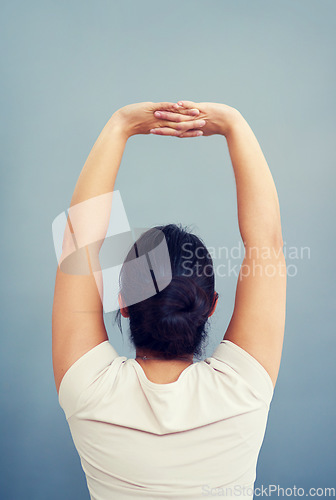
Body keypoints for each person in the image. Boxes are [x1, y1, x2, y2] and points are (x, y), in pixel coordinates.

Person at [52, 100, 287, 499]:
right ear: (211, 305)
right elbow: (267, 246)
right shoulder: (244, 389)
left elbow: (79, 244)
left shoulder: (87, 389)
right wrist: (234, 123)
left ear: (122, 302)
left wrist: (120, 124)